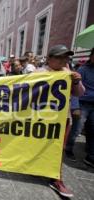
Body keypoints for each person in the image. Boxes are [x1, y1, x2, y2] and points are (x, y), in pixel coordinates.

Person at [35, 45, 84, 198]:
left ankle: (56, 179)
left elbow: (80, 93)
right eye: (60, 57)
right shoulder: (39, 73)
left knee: (58, 148)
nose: (64, 60)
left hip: (62, 119)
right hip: (41, 118)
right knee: (38, 144)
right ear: (49, 59)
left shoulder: (69, 74)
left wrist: (76, 82)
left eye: (66, 57)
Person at [77, 47, 94, 168]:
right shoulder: (82, 69)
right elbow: (76, 90)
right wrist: (75, 106)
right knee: (77, 128)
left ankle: (91, 155)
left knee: (93, 129)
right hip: (83, 103)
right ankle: (68, 147)